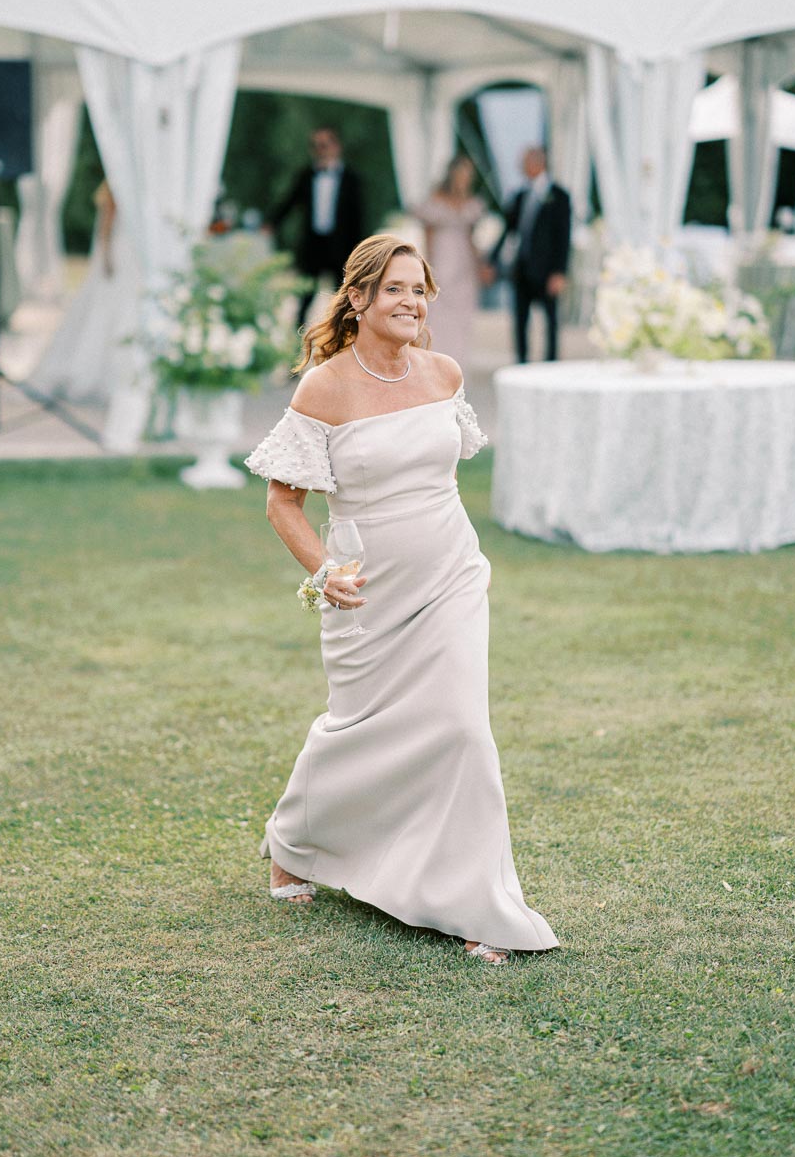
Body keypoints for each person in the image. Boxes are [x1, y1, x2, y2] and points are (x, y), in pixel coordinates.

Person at [245, 233, 558, 965]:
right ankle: (293, 841)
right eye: (395, 289)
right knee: (357, 730)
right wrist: (326, 572)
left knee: (462, 730)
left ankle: (477, 904)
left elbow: (436, 481)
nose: (411, 302)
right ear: (357, 299)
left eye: (420, 290)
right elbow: (283, 503)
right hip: (366, 593)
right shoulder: (324, 388)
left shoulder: (445, 374)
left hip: (451, 578)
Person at [30, 179, 138, 405]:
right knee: (106, 312)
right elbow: (106, 226)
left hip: (132, 258)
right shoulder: (118, 183)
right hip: (119, 256)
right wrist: (107, 256)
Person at [264, 126, 365, 333]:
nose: (320, 150)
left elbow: (359, 217)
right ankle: (297, 337)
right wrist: (271, 223)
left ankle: (344, 336)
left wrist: (360, 250)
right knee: (305, 294)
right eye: (315, 145)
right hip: (312, 245)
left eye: (324, 145)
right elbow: (289, 201)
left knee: (343, 296)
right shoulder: (306, 175)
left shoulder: (351, 178)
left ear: (336, 146)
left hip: (341, 247)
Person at [413, 155, 492, 373]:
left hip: (464, 265)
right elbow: (428, 237)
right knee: (439, 317)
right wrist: (426, 269)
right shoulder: (436, 201)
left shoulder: (471, 203)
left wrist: (480, 265)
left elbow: (472, 239)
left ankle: (458, 366)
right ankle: (438, 364)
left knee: (462, 319)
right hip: (442, 260)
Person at [492, 147, 571, 364]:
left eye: (525, 162)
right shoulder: (520, 196)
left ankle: (551, 363)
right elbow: (508, 230)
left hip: (547, 270)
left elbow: (563, 236)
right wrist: (493, 259)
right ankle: (521, 361)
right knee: (520, 319)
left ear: (538, 163)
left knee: (550, 320)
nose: (521, 167)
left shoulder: (559, 196)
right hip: (522, 268)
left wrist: (559, 271)